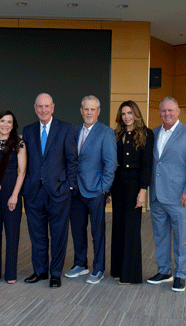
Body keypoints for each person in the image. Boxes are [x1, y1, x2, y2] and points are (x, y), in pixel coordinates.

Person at [147, 96, 186, 292]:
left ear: (178, 111)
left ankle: (180, 274)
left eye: (170, 110)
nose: (167, 114)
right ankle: (164, 271)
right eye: (163, 111)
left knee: (181, 237)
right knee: (160, 236)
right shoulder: (153, 133)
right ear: (159, 113)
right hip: (157, 196)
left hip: (180, 197)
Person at [22, 93, 78, 288]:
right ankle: (40, 271)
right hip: (33, 193)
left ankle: (55, 272)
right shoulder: (28, 131)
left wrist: (70, 186)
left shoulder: (65, 128)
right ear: (35, 108)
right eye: (40, 107)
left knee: (58, 234)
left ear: (53, 107)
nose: (43, 110)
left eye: (47, 106)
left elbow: (72, 160)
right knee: (37, 234)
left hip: (59, 192)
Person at [65, 96, 117, 284]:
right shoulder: (75, 131)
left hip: (96, 191)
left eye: (92, 109)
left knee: (97, 232)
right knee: (77, 230)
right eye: (86, 109)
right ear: (81, 111)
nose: (89, 112)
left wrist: (104, 189)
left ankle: (99, 268)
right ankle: (80, 264)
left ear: (98, 111)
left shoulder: (106, 133)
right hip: (76, 191)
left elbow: (110, 164)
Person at [110, 100, 154, 284]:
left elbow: (147, 164)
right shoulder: (116, 134)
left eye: (129, 113)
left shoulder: (146, 133)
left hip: (135, 183)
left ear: (136, 114)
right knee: (118, 226)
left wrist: (143, 190)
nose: (126, 116)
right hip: (118, 183)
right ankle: (118, 270)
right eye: (123, 113)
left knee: (132, 228)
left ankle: (131, 274)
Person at [0, 110, 27, 285]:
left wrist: (15, 195)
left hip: (12, 189)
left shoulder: (19, 143)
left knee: (12, 233)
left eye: (9, 122)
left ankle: (10, 273)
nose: (5, 124)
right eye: (3, 121)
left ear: (13, 125)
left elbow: (22, 171)